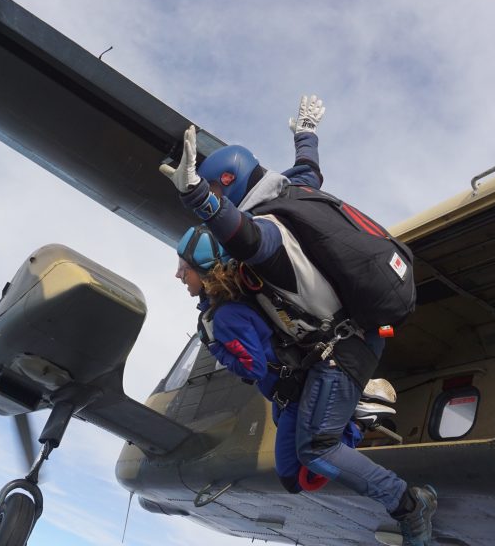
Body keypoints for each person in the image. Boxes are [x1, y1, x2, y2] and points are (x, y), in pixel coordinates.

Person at [161, 96, 437, 545]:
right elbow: (308, 167)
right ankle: (355, 409)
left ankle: (408, 504)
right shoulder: (296, 193)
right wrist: (305, 133)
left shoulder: (271, 233)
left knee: (317, 448)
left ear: (227, 187)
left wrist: (198, 199)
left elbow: (247, 237)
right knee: (298, 472)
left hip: (342, 351)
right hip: (354, 338)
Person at [175, 224, 396, 494]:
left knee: (297, 477)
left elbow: (253, 368)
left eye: (184, 267)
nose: (179, 274)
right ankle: (354, 412)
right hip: (288, 393)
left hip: (293, 395)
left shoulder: (223, 316)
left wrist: (216, 347)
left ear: (203, 269)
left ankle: (360, 419)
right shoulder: (233, 305)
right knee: (299, 472)